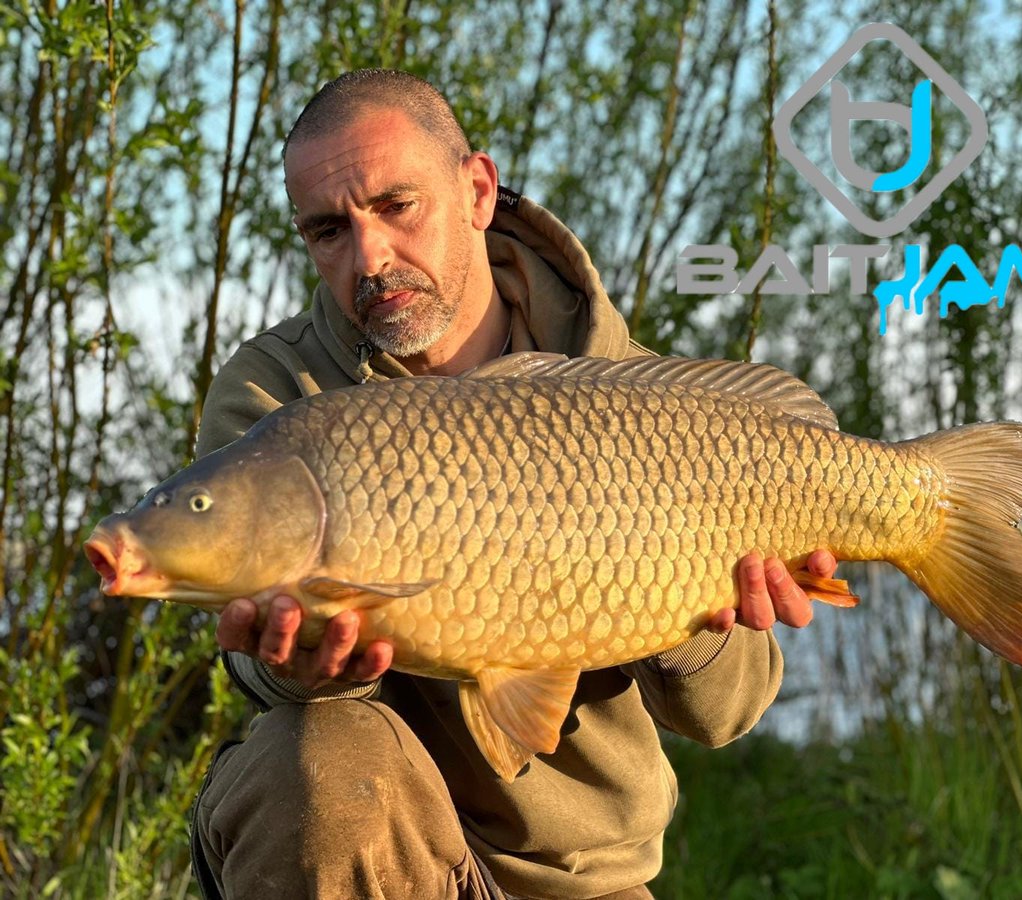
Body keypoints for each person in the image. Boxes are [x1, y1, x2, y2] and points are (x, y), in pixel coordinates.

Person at [190, 69, 837, 900]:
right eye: (328, 230)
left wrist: (687, 606)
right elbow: (253, 658)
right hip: (369, 850)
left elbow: (723, 715)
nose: (370, 257)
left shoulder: (648, 405)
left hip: (584, 879)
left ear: (478, 191)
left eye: (397, 206)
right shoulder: (282, 395)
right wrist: (309, 666)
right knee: (308, 761)